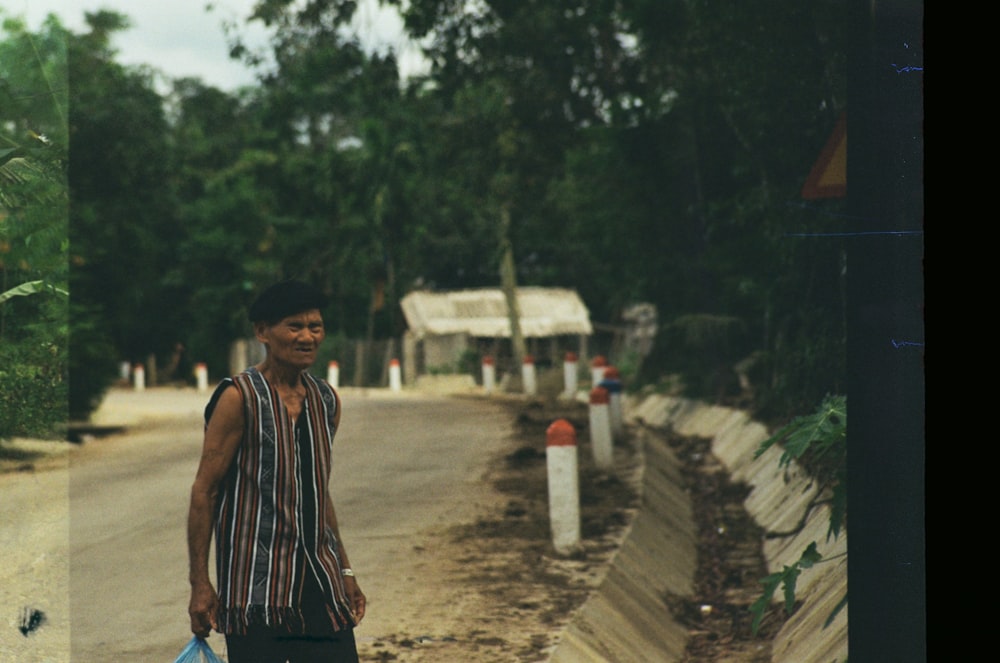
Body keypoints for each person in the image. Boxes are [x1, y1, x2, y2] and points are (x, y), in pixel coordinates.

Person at [187, 280, 366, 662]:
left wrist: (346, 573)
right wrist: (200, 584)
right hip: (256, 592)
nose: (307, 337)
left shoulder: (325, 400)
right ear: (262, 332)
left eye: (315, 327)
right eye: (294, 326)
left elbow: (319, 493)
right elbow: (206, 491)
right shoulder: (238, 397)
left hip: (320, 584)